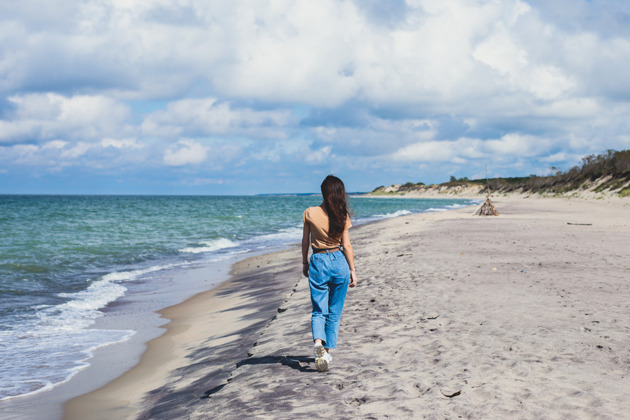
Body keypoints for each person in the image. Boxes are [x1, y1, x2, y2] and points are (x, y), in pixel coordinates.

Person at [301, 175, 358, 372]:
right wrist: (352, 270)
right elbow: (347, 245)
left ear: (323, 192)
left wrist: (304, 262)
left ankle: (318, 343)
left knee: (319, 309)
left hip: (318, 260)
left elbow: (305, 242)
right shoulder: (342, 215)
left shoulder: (310, 213)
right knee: (334, 310)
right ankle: (326, 350)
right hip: (338, 261)